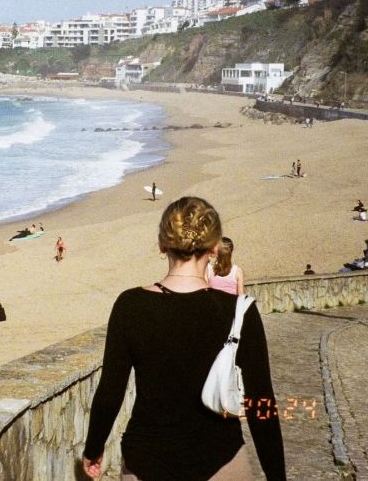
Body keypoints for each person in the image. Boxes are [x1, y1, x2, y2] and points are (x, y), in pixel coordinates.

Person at [81, 197, 285, 480]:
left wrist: (93, 448)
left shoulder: (130, 305)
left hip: (146, 461)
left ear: (162, 244)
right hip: (221, 460)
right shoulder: (239, 311)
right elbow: (261, 403)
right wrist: (277, 475)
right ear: (214, 248)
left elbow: (110, 392)